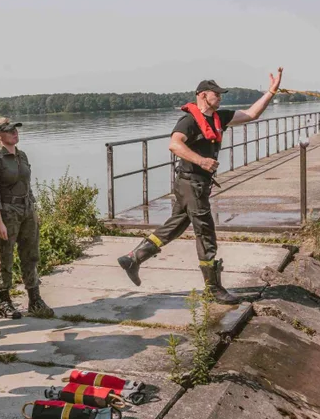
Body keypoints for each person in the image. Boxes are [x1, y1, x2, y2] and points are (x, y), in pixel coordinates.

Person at [118, 69, 284, 304]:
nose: (220, 96)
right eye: (216, 93)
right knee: (205, 233)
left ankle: (134, 258)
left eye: (221, 93)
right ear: (203, 95)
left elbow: (251, 114)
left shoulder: (219, 118)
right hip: (191, 183)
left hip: (195, 184)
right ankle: (213, 289)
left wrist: (272, 91)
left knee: (176, 225)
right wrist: (202, 161)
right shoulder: (188, 120)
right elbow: (174, 145)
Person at [0, 117, 53, 318]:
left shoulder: (22, 155)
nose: (15, 132)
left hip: (26, 210)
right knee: (4, 256)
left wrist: (33, 211)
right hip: (7, 212)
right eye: (9, 130)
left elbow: (27, 186)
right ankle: (5, 301)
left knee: (31, 254)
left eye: (15, 129)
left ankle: (34, 299)